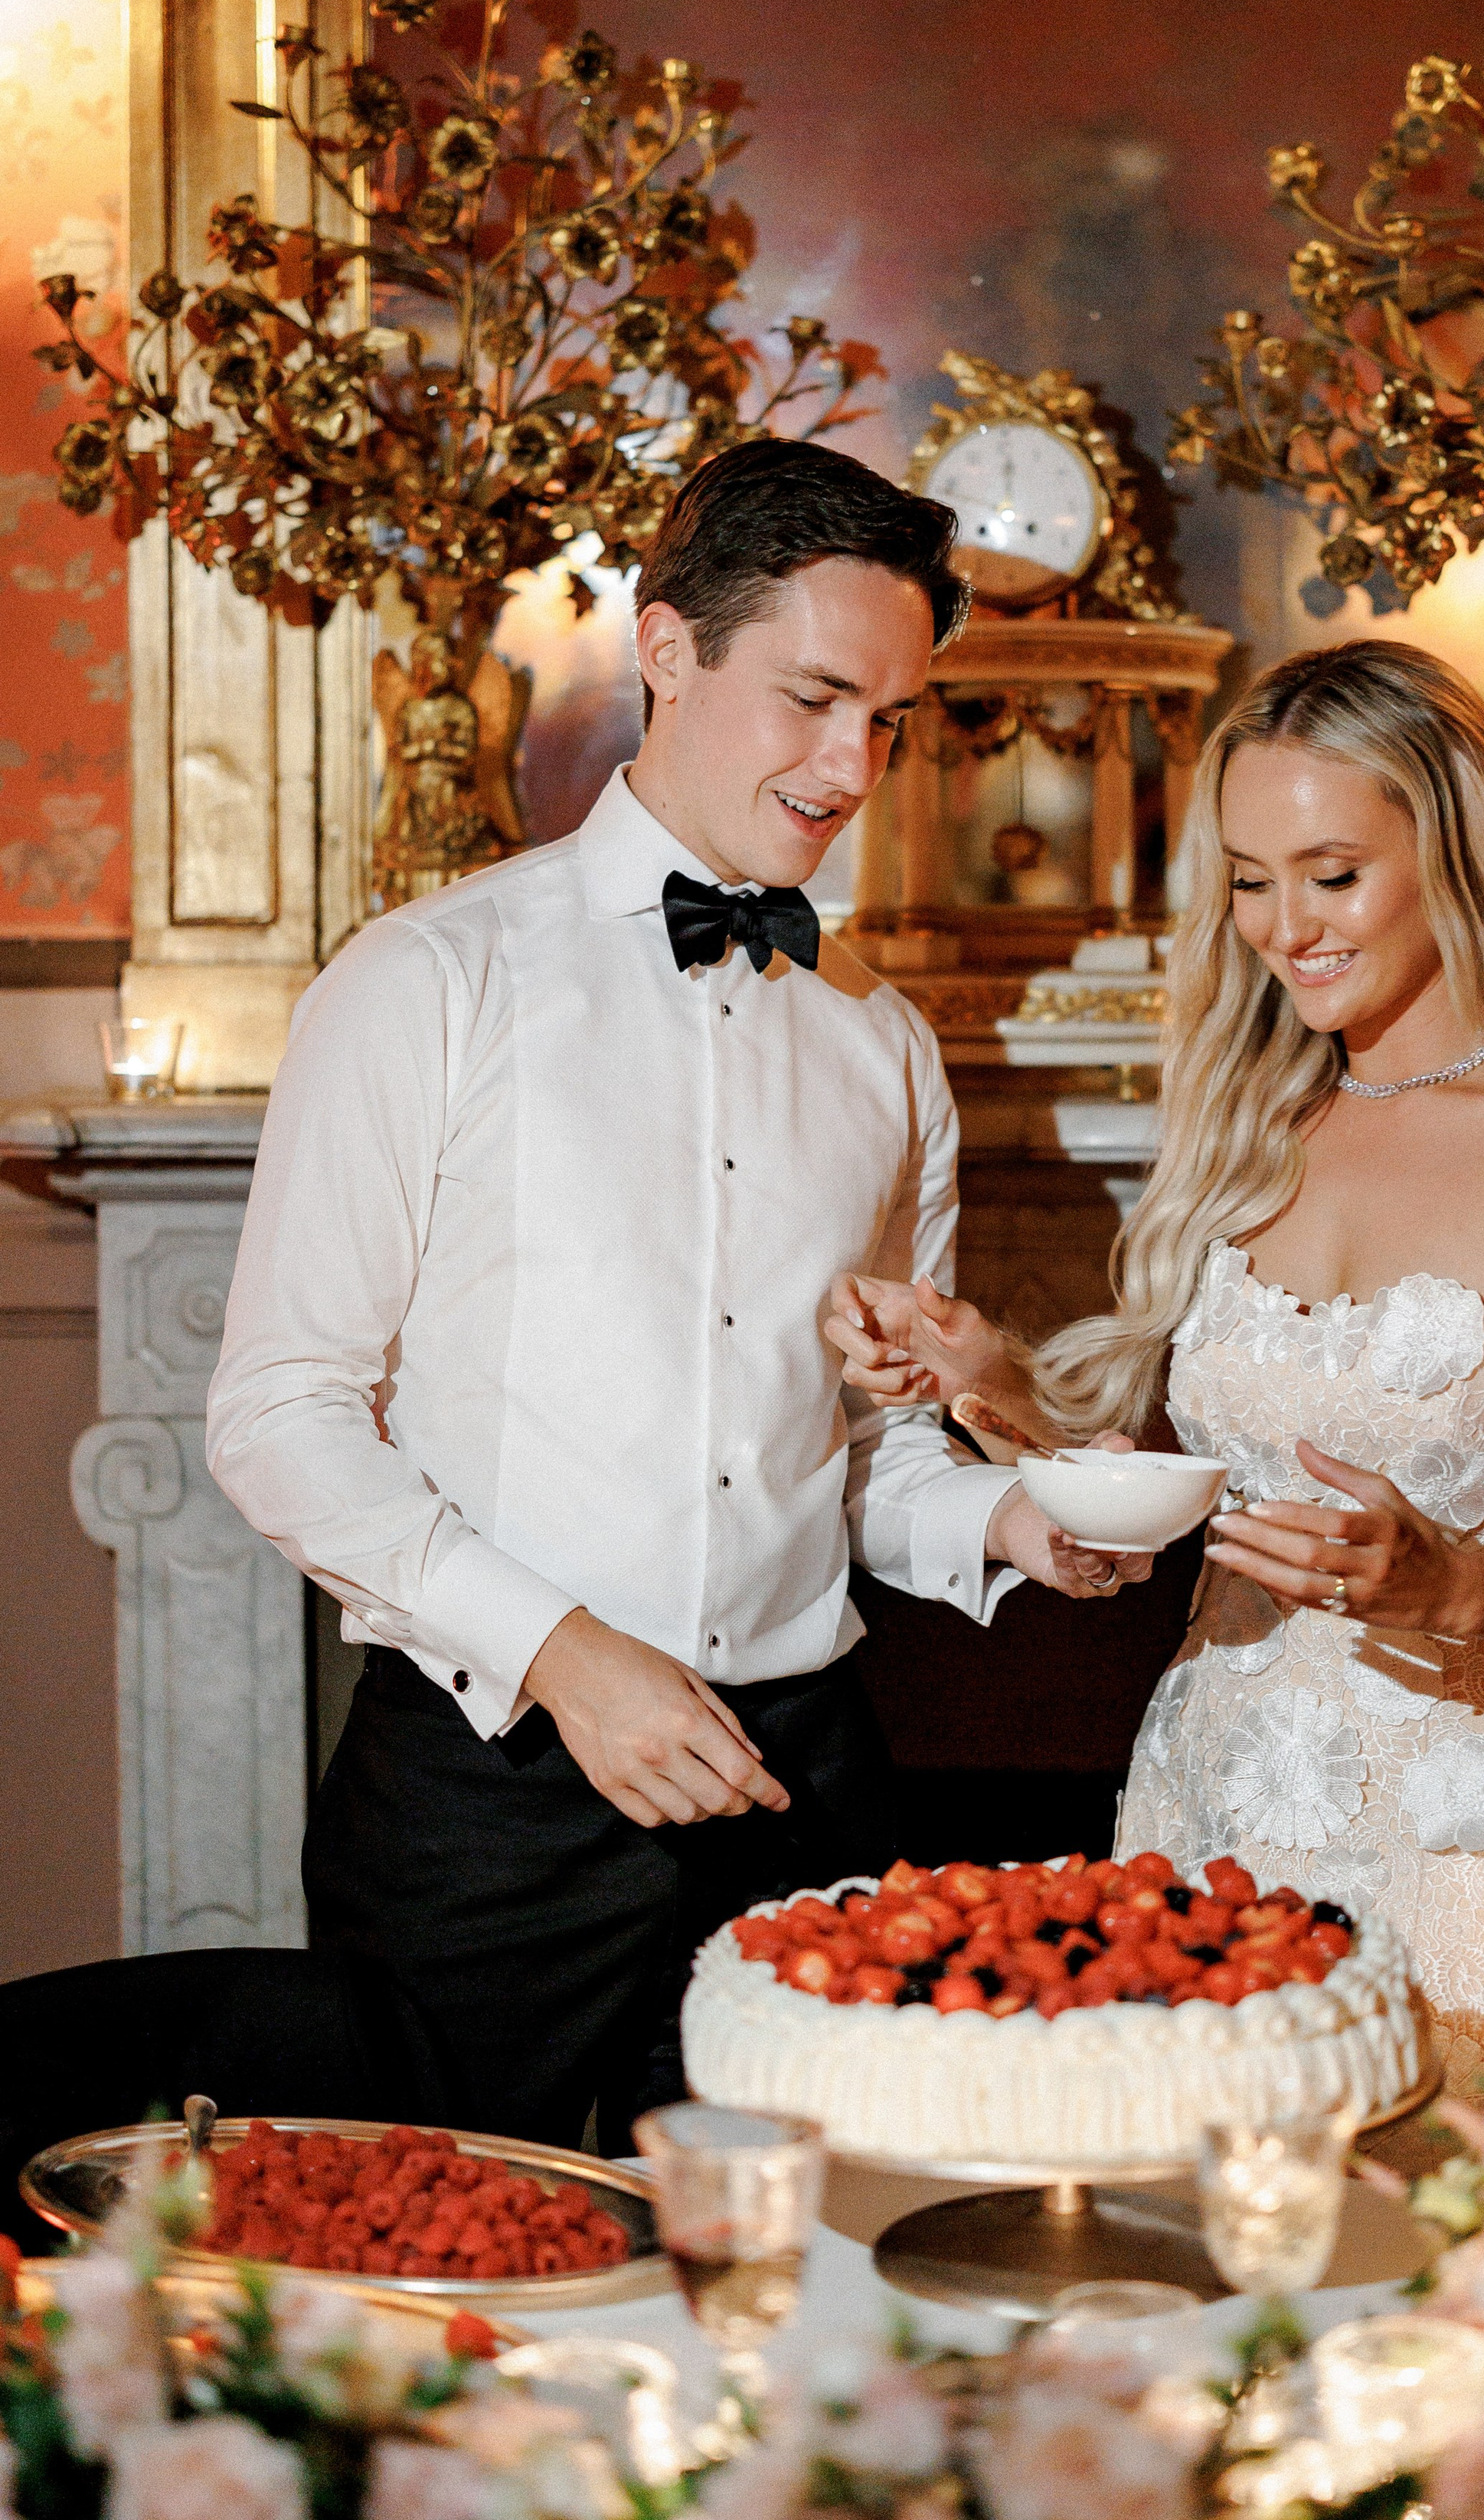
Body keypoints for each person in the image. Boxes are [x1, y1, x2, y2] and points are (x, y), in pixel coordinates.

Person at [207, 438, 1139, 2152]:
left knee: (812, 2324)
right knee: (485, 2339)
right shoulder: (426, 983)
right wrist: (563, 1654)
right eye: (810, 698)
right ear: (663, 651)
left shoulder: (883, 1046)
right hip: (490, 1820)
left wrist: (1017, 1530)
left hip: (807, 1803)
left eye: (891, 719)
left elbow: (877, 1463)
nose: (851, 763)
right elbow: (277, 1420)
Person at [829, 637, 1484, 2083]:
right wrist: (996, 1388)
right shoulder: (1250, 1120)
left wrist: (1464, 1585)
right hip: (1224, 1815)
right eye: (1251, 881)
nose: (1283, 925)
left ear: (1452, 853)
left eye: (1333, 874)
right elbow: (1197, 1495)